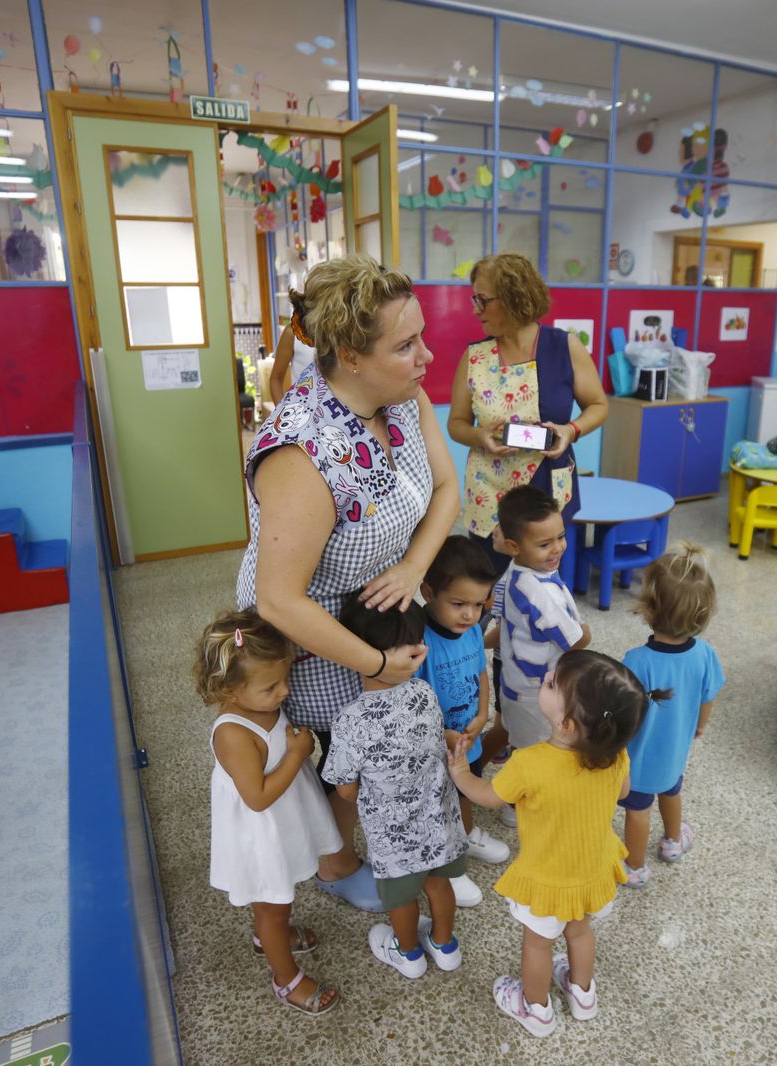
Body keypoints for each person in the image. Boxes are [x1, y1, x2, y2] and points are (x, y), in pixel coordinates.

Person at [237, 256, 461, 913]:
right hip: (312, 633)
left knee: (381, 745)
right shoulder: (301, 453)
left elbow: (446, 489)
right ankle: (337, 865)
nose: (427, 355)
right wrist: (376, 663)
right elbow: (281, 599)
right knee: (343, 757)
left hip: (376, 611)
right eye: (405, 344)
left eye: (421, 335)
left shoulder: (403, 398)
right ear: (348, 356)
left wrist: (416, 567)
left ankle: (407, 854)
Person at [448, 650, 658, 1038]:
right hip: (591, 868)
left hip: (547, 878)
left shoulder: (529, 763)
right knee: (579, 932)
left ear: (565, 723)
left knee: (538, 944)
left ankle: (537, 1009)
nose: (546, 675)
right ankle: (583, 995)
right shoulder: (615, 756)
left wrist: (460, 772)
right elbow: (624, 792)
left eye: (551, 682)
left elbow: (488, 796)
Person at [199, 609, 342, 1016]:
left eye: (285, 680)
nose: (283, 693)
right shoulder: (233, 733)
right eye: (270, 687)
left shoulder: (260, 704)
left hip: (283, 823)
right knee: (272, 904)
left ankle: (269, 934)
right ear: (227, 689)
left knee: (277, 902)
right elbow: (257, 798)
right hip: (261, 832)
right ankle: (287, 979)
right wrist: (298, 754)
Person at [324, 599, 467, 981]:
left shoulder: (349, 720)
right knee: (439, 884)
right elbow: (437, 740)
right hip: (439, 823)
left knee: (401, 897)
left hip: (393, 838)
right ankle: (445, 944)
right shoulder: (424, 692)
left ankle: (408, 954)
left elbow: (346, 790)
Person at [448, 252, 608, 567]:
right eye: (473, 299)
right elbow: (457, 423)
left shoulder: (564, 347)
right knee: (489, 585)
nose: (474, 309)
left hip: (546, 486)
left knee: (542, 585)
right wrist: (481, 437)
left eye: (482, 300)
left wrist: (570, 431)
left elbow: (599, 405)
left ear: (511, 298)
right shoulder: (475, 357)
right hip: (489, 490)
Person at [617, 543, 726, 887]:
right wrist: (700, 726)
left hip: (638, 759)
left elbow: (622, 712)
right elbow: (708, 697)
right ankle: (673, 843)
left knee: (638, 811)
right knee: (672, 791)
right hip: (675, 750)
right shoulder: (705, 653)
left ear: (649, 608)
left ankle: (634, 868)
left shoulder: (637, 660)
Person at [416, 535, 511, 904]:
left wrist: (485, 712)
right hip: (432, 743)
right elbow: (408, 701)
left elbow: (481, 674)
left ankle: (466, 837)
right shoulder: (418, 639)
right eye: (458, 604)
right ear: (428, 591)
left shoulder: (471, 630)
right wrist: (442, 733)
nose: (471, 615)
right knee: (436, 805)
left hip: (466, 739)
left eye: (478, 604)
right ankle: (445, 867)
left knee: (464, 789)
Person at [493, 487, 590, 755]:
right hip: (537, 695)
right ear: (514, 546)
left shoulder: (517, 568)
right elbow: (577, 640)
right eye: (544, 544)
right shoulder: (540, 594)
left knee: (517, 741)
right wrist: (587, 632)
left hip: (517, 682)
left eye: (560, 537)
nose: (557, 548)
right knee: (538, 756)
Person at [267, 318, 319, 401]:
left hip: (340, 410)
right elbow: (276, 378)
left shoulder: (342, 331)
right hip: (302, 408)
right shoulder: (292, 332)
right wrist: (281, 412)